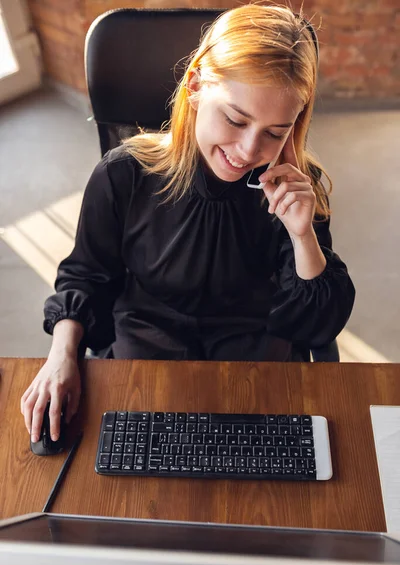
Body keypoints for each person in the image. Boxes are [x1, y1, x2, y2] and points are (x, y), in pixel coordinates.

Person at [21, 4, 355, 444]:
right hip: (146, 350)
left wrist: (302, 234)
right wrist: (60, 355)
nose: (249, 150)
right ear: (195, 87)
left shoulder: (294, 190)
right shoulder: (125, 174)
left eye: (276, 132)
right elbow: (86, 275)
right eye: (236, 119)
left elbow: (317, 326)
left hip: (254, 359)